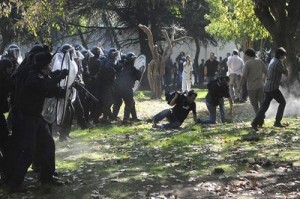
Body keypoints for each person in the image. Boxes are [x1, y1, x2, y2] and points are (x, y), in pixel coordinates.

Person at [8, 51, 67, 192]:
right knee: (29, 152)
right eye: (48, 64)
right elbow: (43, 85)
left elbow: (45, 90)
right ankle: (15, 184)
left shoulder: (38, 75)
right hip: (26, 118)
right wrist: (59, 77)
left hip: (36, 118)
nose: (49, 67)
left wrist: (58, 91)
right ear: (42, 65)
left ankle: (47, 176)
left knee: (48, 144)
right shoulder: (30, 75)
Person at [251, 47, 288, 131]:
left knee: (264, 107)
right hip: (273, 87)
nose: (284, 57)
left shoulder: (272, 60)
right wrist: (285, 64)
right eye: (283, 56)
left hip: (268, 86)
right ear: (280, 55)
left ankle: (255, 122)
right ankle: (277, 122)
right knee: (282, 102)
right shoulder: (278, 63)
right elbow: (286, 73)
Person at [112, 52, 142, 124]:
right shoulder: (132, 69)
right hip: (126, 89)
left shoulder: (120, 66)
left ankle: (113, 117)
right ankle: (126, 119)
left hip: (118, 88)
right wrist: (141, 70)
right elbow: (139, 76)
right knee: (129, 103)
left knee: (118, 103)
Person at [240, 48, 268, 114]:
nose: (244, 57)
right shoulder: (260, 61)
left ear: (247, 55)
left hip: (251, 87)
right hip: (260, 85)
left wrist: (240, 85)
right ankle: (261, 115)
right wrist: (264, 79)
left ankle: (259, 117)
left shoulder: (247, 63)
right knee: (262, 102)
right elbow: (266, 71)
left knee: (255, 105)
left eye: (245, 55)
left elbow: (244, 76)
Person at [0, 59, 14, 182]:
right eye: (10, 67)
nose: (11, 69)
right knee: (5, 143)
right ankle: (7, 173)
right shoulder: (3, 79)